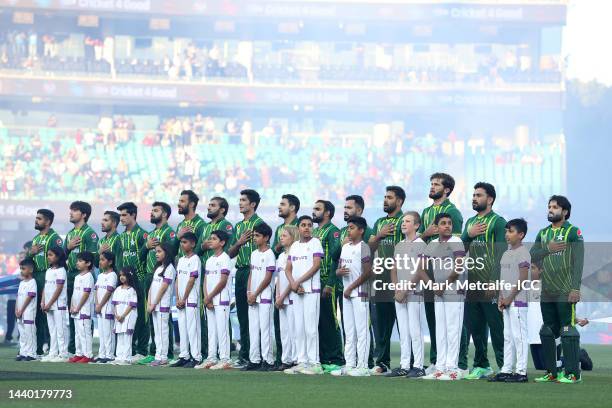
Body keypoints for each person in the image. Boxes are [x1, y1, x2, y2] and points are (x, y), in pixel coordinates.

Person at [531, 195, 584, 384]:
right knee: (547, 330)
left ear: (565, 212)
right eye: (549, 207)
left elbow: (578, 262)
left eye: (555, 207)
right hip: (547, 290)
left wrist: (575, 289)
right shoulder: (543, 233)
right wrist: (548, 248)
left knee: (568, 330)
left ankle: (573, 374)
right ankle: (551, 372)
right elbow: (533, 255)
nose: (550, 210)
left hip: (565, 289)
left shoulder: (573, 232)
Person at [418, 173, 465, 371]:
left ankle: (457, 364)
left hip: (448, 275)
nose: (432, 187)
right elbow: (421, 239)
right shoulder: (426, 211)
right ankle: (438, 361)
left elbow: (453, 244)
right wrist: (425, 234)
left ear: (446, 189)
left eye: (436, 184)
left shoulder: (452, 212)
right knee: (435, 319)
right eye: (431, 183)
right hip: (431, 273)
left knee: (453, 324)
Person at [462, 182, 506, 380]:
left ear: (489, 199)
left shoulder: (498, 222)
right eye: (473, 194)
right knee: (475, 328)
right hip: (472, 284)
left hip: (491, 284)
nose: (474, 198)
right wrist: (468, 235)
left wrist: (494, 281)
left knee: (497, 328)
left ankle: (506, 366)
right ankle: (481, 365)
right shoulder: (470, 222)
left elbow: (501, 254)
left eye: (478, 195)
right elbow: (459, 250)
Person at [368, 186, 405, 374]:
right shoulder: (379, 222)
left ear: (399, 201)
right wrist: (380, 235)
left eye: (389, 197)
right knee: (381, 324)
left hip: (400, 279)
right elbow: (370, 247)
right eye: (384, 197)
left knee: (404, 323)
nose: (385, 200)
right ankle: (382, 362)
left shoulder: (406, 221)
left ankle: (410, 363)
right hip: (381, 279)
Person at [488, 218, 531, 383]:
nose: (507, 234)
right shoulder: (506, 253)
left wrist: (509, 298)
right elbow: (502, 278)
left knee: (519, 336)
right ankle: (506, 369)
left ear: (521, 234)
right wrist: (501, 297)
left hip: (518, 301)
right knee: (508, 336)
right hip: (505, 301)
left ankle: (521, 372)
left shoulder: (523, 253)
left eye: (511, 231)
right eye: (506, 231)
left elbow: (522, 279)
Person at [386, 212, 427, 378]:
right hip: (400, 294)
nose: (403, 224)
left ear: (416, 225)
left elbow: (420, 271)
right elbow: (393, 269)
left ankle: (418, 366)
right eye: (403, 221)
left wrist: (405, 290)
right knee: (403, 330)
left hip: (414, 292)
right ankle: (404, 365)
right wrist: (397, 289)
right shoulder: (399, 245)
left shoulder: (421, 244)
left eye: (408, 221)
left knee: (415, 329)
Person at [284, 215, 324, 375]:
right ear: (298, 228)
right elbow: (288, 268)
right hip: (297, 291)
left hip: (311, 291)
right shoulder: (294, 246)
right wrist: (293, 283)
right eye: (303, 225)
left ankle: (315, 363)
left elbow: (316, 265)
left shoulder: (315, 243)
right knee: (298, 328)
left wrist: (297, 282)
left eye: (309, 225)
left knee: (311, 328)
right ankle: (302, 361)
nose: (307, 227)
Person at [332, 216, 373, 377]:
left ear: (361, 230)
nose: (348, 230)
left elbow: (368, 272)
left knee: (362, 331)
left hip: (359, 294)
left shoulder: (364, 247)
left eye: (352, 227)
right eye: (348, 227)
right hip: (347, 294)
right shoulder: (346, 247)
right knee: (349, 331)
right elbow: (339, 269)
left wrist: (351, 287)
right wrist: (338, 272)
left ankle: (362, 366)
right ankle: (350, 364)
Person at [228, 189, 263, 368]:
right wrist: (240, 242)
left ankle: (255, 355)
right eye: (239, 200)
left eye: (243, 200)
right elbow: (230, 253)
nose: (240, 203)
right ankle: (244, 354)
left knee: (254, 316)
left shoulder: (259, 224)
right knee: (242, 315)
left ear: (253, 204)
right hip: (240, 271)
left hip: (254, 272)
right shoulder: (239, 226)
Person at [139, 201, 177, 365]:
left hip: (163, 277)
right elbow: (140, 256)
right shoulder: (150, 234)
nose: (152, 213)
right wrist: (146, 247)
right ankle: (155, 352)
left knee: (163, 320)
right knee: (152, 319)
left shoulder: (170, 233)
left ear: (165, 214)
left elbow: (173, 254)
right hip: (150, 274)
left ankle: (166, 354)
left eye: (156, 210)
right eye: (152, 210)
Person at [199, 196, 234, 363]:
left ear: (222, 242)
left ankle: (225, 358)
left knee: (222, 329)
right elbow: (206, 279)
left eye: (213, 239)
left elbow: (222, 281)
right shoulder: (210, 259)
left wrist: (209, 296)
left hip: (220, 298)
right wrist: (206, 297)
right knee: (211, 330)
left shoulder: (225, 258)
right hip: (209, 299)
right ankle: (211, 357)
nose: (209, 241)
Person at [312, 200, 344, 371]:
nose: (314, 211)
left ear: (327, 213)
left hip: (327, 283)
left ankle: (336, 359)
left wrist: (331, 283)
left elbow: (335, 259)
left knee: (331, 321)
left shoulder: (333, 232)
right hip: (315, 283)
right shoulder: (315, 231)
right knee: (319, 322)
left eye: (317, 209)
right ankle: (323, 358)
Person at [25, 208, 63, 355]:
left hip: (49, 278)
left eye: (39, 218)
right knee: (37, 315)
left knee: (50, 314)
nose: (36, 220)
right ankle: (38, 348)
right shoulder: (36, 239)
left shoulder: (55, 238)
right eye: (36, 218)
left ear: (48, 221)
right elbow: (29, 260)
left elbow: (60, 258)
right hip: (36, 277)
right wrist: (30, 252)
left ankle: (55, 348)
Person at [64, 201, 98, 355]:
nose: (71, 213)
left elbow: (93, 258)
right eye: (71, 210)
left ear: (84, 214)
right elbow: (61, 256)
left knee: (84, 314)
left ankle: (86, 350)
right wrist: (68, 248)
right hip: (70, 275)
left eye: (75, 211)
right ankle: (74, 349)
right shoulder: (70, 234)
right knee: (72, 313)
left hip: (84, 276)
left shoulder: (89, 233)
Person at [177, 190, 208, 356]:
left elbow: (201, 248)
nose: (179, 204)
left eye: (182, 201)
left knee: (196, 320)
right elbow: (175, 249)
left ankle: (200, 353)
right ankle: (185, 353)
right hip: (182, 271)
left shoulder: (201, 224)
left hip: (195, 274)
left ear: (192, 204)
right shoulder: (180, 225)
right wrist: (178, 237)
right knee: (184, 322)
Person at [117, 201, 148, 359]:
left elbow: (147, 258)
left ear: (133, 215)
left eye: (124, 215)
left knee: (142, 316)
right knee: (126, 315)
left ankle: (142, 351)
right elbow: (119, 259)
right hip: (125, 283)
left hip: (140, 281)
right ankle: (131, 349)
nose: (121, 218)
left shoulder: (142, 234)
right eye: (120, 215)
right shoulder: (120, 236)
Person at [243, 223, 276, 371]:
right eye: (254, 235)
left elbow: (268, 278)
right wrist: (249, 292)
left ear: (266, 237)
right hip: (253, 297)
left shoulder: (270, 254)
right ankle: (254, 359)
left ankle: (267, 360)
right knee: (253, 329)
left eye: (257, 236)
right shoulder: (254, 254)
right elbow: (251, 274)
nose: (254, 238)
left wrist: (255, 293)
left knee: (265, 329)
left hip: (264, 297)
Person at [272, 194, 300, 368]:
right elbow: (278, 278)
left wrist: (283, 295)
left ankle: (296, 359)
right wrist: (278, 295)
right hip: (281, 297)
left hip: (290, 297)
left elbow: (292, 278)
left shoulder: (294, 256)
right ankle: (285, 359)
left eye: (284, 236)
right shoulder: (281, 256)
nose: (280, 238)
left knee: (294, 330)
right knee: (284, 331)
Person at [174, 232, 202, 368]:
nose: (182, 244)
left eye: (185, 242)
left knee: (193, 329)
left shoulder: (195, 259)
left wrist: (183, 298)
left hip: (190, 300)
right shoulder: (181, 260)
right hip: (181, 301)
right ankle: (184, 355)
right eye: (181, 242)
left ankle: (196, 357)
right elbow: (178, 279)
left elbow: (192, 280)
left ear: (193, 244)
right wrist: (178, 298)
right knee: (182, 329)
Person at [149, 243, 176, 367]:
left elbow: (163, 288)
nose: (156, 254)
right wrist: (149, 303)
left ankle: (163, 357)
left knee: (162, 331)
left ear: (166, 252)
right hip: (154, 306)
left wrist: (154, 303)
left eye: (159, 251)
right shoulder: (158, 268)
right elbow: (151, 288)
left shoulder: (169, 268)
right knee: (157, 332)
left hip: (162, 305)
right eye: (156, 251)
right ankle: (158, 356)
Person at [40, 247, 69, 362]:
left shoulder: (61, 271)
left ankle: (63, 353)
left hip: (58, 305)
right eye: (48, 255)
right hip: (48, 305)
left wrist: (50, 303)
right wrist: (43, 301)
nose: (48, 257)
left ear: (58, 257)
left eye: (51, 255)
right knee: (52, 330)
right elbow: (46, 287)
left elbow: (59, 288)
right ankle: (53, 352)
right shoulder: (49, 271)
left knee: (61, 329)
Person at [69, 252, 95, 364]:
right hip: (75, 310)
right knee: (78, 333)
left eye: (80, 261)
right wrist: (71, 306)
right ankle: (79, 353)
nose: (77, 263)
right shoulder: (77, 277)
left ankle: (88, 354)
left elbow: (86, 294)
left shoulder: (89, 276)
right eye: (77, 261)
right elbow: (74, 293)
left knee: (85, 332)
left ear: (88, 263)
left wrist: (78, 307)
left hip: (84, 310)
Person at [94, 251, 118, 364]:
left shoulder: (113, 275)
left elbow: (108, 292)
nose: (100, 262)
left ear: (110, 262)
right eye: (100, 259)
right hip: (100, 308)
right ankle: (102, 354)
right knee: (102, 333)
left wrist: (100, 305)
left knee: (108, 332)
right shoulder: (100, 275)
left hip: (107, 308)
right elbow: (96, 290)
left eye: (103, 259)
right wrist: (97, 304)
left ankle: (109, 354)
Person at [112, 267, 138, 365]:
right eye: (121, 275)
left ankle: (126, 358)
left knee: (127, 336)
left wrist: (123, 315)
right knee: (120, 336)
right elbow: (114, 304)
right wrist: (117, 315)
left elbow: (131, 305)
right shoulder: (118, 289)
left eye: (124, 275)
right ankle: (119, 357)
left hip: (128, 316)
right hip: (118, 316)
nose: (122, 277)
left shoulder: (132, 290)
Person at [15, 259, 37, 361]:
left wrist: (21, 309)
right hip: (19, 312)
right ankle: (23, 352)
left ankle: (31, 353)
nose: (21, 271)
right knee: (22, 333)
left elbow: (30, 297)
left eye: (23, 268)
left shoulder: (32, 282)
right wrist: (16, 309)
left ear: (31, 270)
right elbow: (18, 297)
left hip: (28, 312)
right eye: (20, 268)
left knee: (29, 332)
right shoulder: (22, 283)